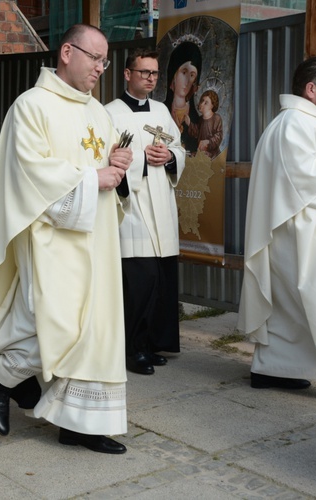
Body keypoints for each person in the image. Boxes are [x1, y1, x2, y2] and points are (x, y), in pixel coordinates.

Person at [0, 23, 133, 454]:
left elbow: (106, 177)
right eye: (95, 58)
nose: (101, 67)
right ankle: (2, 375)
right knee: (59, 323)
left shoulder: (98, 113)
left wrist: (118, 169)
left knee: (95, 329)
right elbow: (28, 173)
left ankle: (78, 423)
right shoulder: (31, 106)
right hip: (51, 237)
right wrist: (91, 177)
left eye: (104, 60)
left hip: (96, 240)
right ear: (67, 52)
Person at [237, 56, 316, 390]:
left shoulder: (313, 120)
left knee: (292, 309)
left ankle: (273, 369)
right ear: (311, 88)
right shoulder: (294, 123)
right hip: (298, 233)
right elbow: (300, 176)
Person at [105, 48, 185, 375]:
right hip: (133, 206)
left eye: (154, 73)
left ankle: (152, 343)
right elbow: (108, 158)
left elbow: (179, 148)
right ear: (127, 74)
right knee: (139, 280)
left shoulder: (162, 111)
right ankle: (132, 348)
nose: (150, 78)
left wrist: (169, 156)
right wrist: (141, 159)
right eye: (143, 73)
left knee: (160, 280)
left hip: (161, 205)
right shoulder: (108, 113)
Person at [163, 41, 202, 154]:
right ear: (173, 74)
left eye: (192, 75)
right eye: (184, 72)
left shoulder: (197, 121)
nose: (187, 81)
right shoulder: (161, 111)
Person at [190, 89, 223, 159]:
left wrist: (208, 142)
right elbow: (197, 133)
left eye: (206, 103)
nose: (202, 104)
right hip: (202, 153)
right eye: (202, 101)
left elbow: (218, 136)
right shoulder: (201, 119)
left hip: (213, 154)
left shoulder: (216, 118)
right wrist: (189, 123)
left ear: (212, 105)